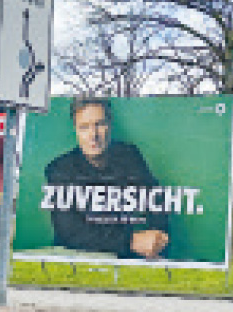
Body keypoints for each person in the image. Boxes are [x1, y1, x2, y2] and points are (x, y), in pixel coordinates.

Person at [44, 97, 169, 259]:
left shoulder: (129, 155)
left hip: (125, 259)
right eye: (84, 127)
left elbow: (156, 202)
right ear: (75, 130)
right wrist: (130, 241)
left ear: (110, 125)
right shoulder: (59, 169)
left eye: (99, 124)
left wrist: (156, 238)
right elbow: (70, 232)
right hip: (77, 260)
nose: (93, 135)